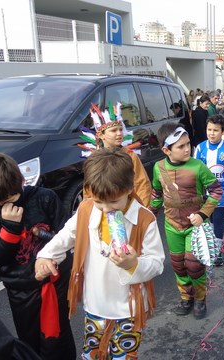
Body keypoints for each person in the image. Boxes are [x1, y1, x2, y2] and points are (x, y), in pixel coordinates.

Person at [35, 149, 165, 359]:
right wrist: (46, 255)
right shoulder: (87, 209)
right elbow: (67, 234)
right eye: (99, 202)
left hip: (128, 308)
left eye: (113, 202)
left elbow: (157, 262)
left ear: (129, 189)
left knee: (123, 355)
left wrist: (132, 263)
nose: (105, 209)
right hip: (95, 301)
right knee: (94, 353)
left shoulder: (144, 219)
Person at [0, 153, 76, 359]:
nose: (3, 205)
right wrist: (10, 228)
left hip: (57, 280)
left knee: (60, 331)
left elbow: (65, 235)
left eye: (9, 198)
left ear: (20, 181)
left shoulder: (44, 197)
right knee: (30, 336)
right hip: (22, 288)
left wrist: (52, 261)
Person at [149, 123, 223, 319]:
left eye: (188, 144)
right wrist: (149, 215)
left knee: (194, 265)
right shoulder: (158, 167)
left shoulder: (197, 166)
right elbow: (157, 193)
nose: (187, 149)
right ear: (166, 150)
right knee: (178, 265)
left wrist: (203, 214)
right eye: (180, 146)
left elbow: (216, 191)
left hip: (195, 227)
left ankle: (200, 299)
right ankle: (186, 297)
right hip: (172, 226)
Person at [194, 115, 224, 266]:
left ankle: (217, 251)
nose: (212, 133)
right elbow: (194, 170)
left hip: (223, 191)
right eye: (209, 129)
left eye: (216, 130)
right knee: (209, 220)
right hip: (205, 193)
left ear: (223, 132)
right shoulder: (200, 148)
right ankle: (208, 247)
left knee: (219, 218)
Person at [83, 103, 152, 205]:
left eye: (120, 129)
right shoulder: (94, 159)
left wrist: (142, 210)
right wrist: (89, 210)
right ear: (101, 135)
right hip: (103, 208)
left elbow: (142, 184)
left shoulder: (130, 156)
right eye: (113, 130)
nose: (119, 133)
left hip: (126, 207)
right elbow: (88, 189)